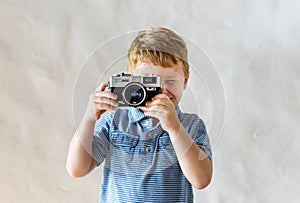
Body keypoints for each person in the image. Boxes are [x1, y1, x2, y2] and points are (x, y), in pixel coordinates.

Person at [66, 27, 213, 202]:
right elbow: (76, 169)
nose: (162, 89)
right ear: (132, 80)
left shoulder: (191, 125)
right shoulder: (115, 121)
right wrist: (89, 118)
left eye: (171, 80)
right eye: (149, 81)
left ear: (185, 82)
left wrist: (174, 128)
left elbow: (201, 180)